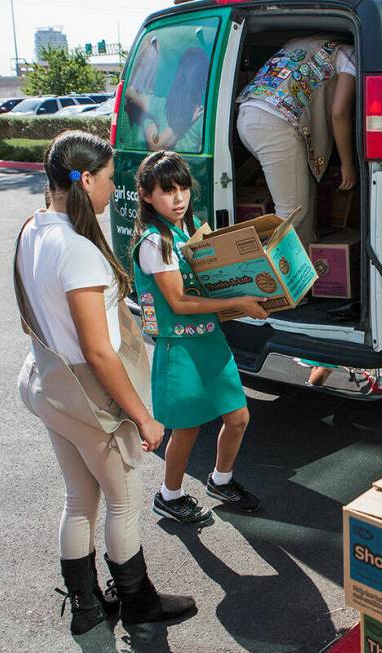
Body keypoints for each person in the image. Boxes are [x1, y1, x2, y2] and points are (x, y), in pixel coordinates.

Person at [15, 131, 195, 635]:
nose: (112, 188)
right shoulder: (78, 251)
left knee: (79, 499)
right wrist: (142, 415)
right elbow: (97, 349)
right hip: (87, 401)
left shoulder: (32, 228)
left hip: (49, 387)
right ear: (86, 179)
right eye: (111, 179)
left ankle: (87, 607)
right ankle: (137, 603)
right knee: (122, 501)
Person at [130, 151, 268, 524]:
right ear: (146, 195)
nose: (178, 198)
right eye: (167, 191)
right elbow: (176, 300)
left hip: (209, 339)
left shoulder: (181, 233)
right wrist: (238, 299)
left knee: (237, 417)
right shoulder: (154, 242)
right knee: (187, 428)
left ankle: (221, 481)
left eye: (183, 189)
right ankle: (169, 495)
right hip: (181, 347)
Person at [235, 36, 358, 247]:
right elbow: (339, 114)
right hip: (275, 124)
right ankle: (258, 268)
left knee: (303, 196)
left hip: (248, 117)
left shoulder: (299, 43)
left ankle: (304, 271)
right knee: (292, 213)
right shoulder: (350, 54)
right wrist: (347, 164)